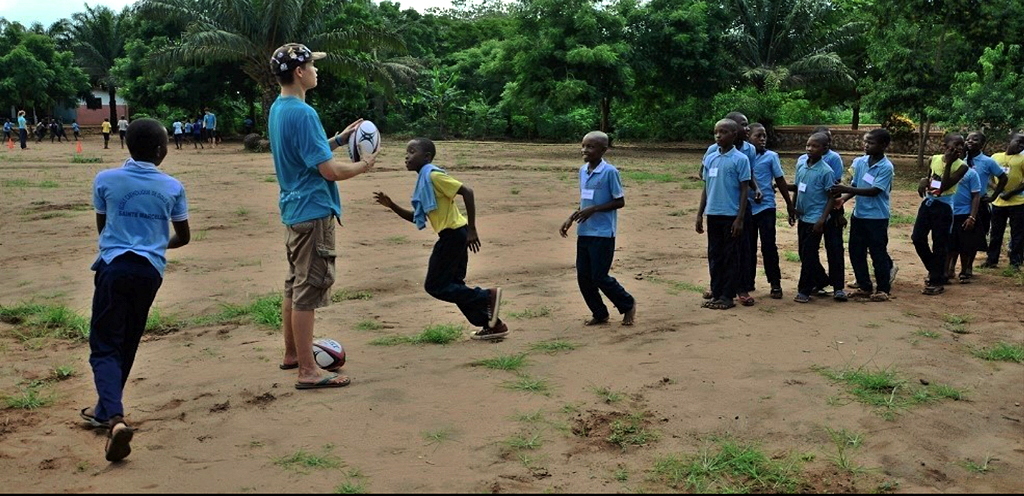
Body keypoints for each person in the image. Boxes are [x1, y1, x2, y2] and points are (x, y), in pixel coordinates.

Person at [268, 42, 377, 389]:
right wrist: (363, 166)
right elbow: (328, 172)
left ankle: (292, 355)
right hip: (313, 212)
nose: (316, 70)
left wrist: (338, 139)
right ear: (299, 72)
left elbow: (305, 154)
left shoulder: (280, 108)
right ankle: (308, 371)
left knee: (294, 284)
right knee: (308, 289)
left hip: (293, 209)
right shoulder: (304, 113)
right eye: (313, 65)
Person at [81, 118, 190, 462]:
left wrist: (125, 243)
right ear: (161, 151)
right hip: (149, 273)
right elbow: (184, 236)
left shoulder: (106, 180)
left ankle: (114, 419)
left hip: (114, 268)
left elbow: (104, 228)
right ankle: (104, 409)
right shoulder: (172, 187)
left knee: (104, 345)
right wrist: (156, 245)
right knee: (127, 339)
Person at [374, 138, 508, 338]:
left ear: (427, 157)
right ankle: (493, 324)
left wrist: (472, 229)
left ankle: (486, 296)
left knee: (435, 286)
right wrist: (391, 205)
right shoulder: (424, 182)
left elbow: (467, 192)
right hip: (455, 234)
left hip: (454, 235)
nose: (407, 156)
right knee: (454, 284)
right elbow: (416, 217)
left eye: (412, 151)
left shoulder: (434, 176)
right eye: (406, 152)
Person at [555, 131, 637, 326]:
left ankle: (627, 304)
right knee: (584, 277)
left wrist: (595, 209)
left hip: (602, 233)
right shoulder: (583, 171)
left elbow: (620, 201)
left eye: (591, 147)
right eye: (583, 146)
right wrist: (571, 217)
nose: (585, 150)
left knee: (599, 276)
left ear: (603, 150)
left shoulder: (610, 172)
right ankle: (599, 313)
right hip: (584, 231)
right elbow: (585, 201)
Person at [701, 111, 761, 305]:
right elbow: (706, 185)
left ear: (733, 134)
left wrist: (740, 217)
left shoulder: (743, 156)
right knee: (715, 255)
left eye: (723, 132)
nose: (718, 136)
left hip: (732, 213)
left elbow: (745, 186)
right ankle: (717, 293)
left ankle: (729, 295)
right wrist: (699, 214)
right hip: (713, 213)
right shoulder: (711, 156)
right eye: (716, 132)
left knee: (732, 255)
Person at [832, 129, 896, 302]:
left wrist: (846, 189)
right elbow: (855, 184)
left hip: (877, 217)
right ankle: (864, 285)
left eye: (871, 143)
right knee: (856, 251)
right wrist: (843, 199)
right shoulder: (860, 162)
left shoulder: (886, 167)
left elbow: (875, 190)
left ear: (883, 145)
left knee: (877, 253)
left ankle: (883, 288)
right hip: (859, 215)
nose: (866, 145)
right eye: (865, 142)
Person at [912, 133, 969, 295]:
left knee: (940, 243)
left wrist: (949, 164)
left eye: (961, 145)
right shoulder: (934, 159)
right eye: (955, 144)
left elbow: (944, 186)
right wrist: (923, 180)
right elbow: (931, 178)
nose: (959, 148)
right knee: (917, 238)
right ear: (944, 146)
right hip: (929, 203)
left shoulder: (961, 166)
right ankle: (936, 270)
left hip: (944, 207)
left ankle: (936, 280)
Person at [743, 123, 794, 300]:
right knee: (748, 247)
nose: (763, 139)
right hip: (747, 208)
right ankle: (748, 282)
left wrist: (789, 204)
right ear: (748, 137)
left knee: (769, 246)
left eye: (764, 136)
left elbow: (780, 180)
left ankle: (775, 283)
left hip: (766, 207)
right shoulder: (742, 156)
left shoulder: (771, 157)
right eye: (758, 136)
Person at [800, 126, 848, 300]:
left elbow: (833, 188)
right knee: (806, 250)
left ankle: (838, 287)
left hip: (830, 210)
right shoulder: (802, 161)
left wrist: (834, 212)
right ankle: (819, 280)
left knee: (834, 248)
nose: (827, 144)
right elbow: (801, 185)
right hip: (808, 212)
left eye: (827, 141)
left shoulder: (832, 160)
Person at [792, 133, 838, 303]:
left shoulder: (826, 171)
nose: (810, 149)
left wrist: (822, 219)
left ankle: (804, 290)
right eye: (808, 146)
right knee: (803, 253)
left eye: (814, 146)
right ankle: (822, 280)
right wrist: (793, 208)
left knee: (809, 253)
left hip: (816, 219)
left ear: (825, 149)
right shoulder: (802, 166)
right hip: (803, 217)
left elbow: (831, 197)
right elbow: (798, 188)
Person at [965, 132, 1008, 262]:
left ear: (982, 144)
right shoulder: (960, 159)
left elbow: (1003, 178)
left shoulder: (988, 161)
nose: (970, 141)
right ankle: (950, 268)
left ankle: (968, 267)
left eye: (975, 139)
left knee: (973, 237)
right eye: (968, 139)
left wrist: (993, 197)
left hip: (979, 204)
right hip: (960, 203)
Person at [985, 132, 1024, 269]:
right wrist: (996, 188)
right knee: (995, 232)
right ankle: (991, 259)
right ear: (1010, 140)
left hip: (1018, 202)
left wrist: (1012, 192)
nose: (1020, 145)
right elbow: (988, 176)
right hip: (998, 202)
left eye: (1023, 144)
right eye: (1018, 142)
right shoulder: (995, 157)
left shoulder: (1022, 159)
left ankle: (1016, 262)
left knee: (1017, 234)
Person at [945, 159, 981, 283]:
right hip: (948, 212)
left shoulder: (971, 174)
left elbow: (976, 195)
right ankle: (946, 271)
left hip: (964, 213)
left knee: (965, 245)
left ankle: (964, 271)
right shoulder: (944, 171)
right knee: (948, 244)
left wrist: (972, 216)